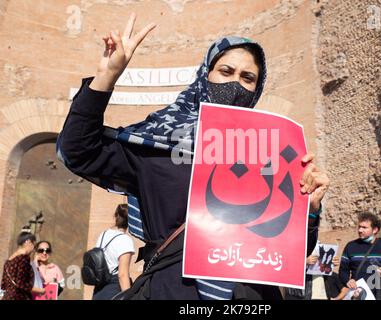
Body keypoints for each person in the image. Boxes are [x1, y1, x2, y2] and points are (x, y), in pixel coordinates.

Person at [57, 13, 330, 299]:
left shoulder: (268, 153)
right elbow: (77, 150)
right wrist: (107, 76)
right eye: (226, 72)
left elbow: (291, 248)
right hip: (174, 290)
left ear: (257, 88)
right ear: (205, 74)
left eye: (247, 78)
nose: (235, 84)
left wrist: (309, 210)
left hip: (251, 295)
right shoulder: (158, 142)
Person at [339, 212, 381, 299]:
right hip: (358, 295)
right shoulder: (350, 246)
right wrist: (347, 281)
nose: (360, 230)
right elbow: (343, 270)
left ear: (375, 230)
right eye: (359, 227)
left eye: (364, 227)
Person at [92, 204, 135, 300]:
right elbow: (122, 274)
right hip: (114, 289)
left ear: (116, 216)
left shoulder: (103, 234)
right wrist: (127, 296)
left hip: (99, 288)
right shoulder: (125, 240)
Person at [1, 232, 45, 300]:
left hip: (7, 297)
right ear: (28, 242)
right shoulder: (23, 259)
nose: (34, 249)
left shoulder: (8, 261)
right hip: (19, 297)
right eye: (34, 244)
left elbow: (3, 285)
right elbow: (20, 283)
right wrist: (39, 290)